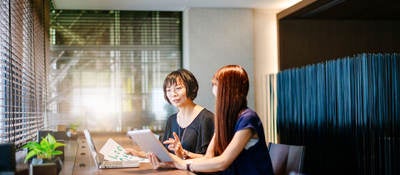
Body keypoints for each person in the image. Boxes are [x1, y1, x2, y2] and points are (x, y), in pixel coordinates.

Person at [149, 65, 274, 175]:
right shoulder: (225, 119)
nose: (213, 88)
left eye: (216, 84)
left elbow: (223, 162)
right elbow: (209, 156)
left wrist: (182, 164)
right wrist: (176, 161)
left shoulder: (248, 119)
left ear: (228, 89)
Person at [126, 68, 214, 159]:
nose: (173, 94)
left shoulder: (207, 119)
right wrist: (139, 154)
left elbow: (212, 159)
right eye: (168, 90)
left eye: (178, 88)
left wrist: (184, 153)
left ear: (192, 88)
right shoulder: (172, 120)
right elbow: (165, 153)